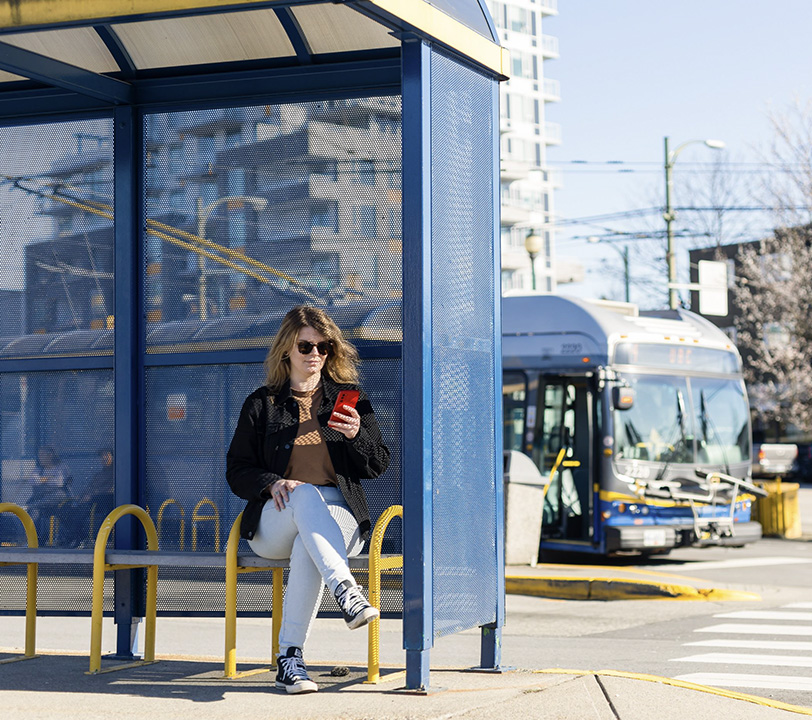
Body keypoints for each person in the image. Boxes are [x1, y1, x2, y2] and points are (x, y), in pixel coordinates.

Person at [226, 305, 390, 694]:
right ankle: (347, 590)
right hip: (276, 513)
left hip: (339, 515)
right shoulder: (262, 404)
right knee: (302, 495)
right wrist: (271, 482)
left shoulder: (351, 402)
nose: (315, 354)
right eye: (305, 346)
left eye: (324, 347)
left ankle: (290, 659)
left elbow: (379, 463)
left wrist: (355, 437)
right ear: (287, 349)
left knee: (307, 545)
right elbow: (236, 470)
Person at [25, 446, 73, 543]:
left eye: (42, 455)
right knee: (34, 513)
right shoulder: (39, 469)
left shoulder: (61, 467)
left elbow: (59, 482)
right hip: (41, 501)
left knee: (58, 495)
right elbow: (32, 480)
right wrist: (49, 478)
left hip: (59, 502)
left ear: (50, 455)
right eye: (39, 455)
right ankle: (34, 540)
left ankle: (30, 505)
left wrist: (42, 479)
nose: (39, 457)